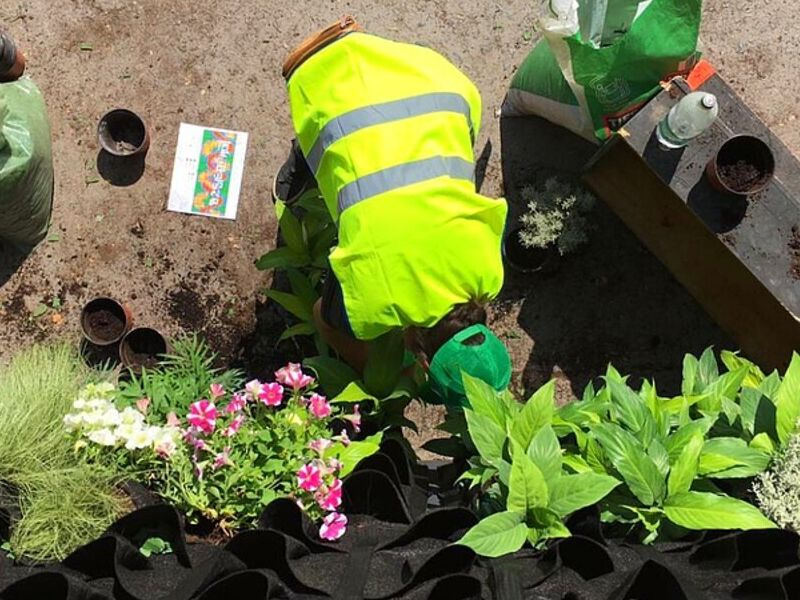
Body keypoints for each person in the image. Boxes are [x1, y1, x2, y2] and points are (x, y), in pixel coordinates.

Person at [276, 16, 511, 407]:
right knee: (336, 143)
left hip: (439, 82)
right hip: (323, 81)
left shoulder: (491, 274)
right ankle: (304, 158)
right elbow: (323, 318)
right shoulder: (370, 303)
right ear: (421, 356)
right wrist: (382, 376)